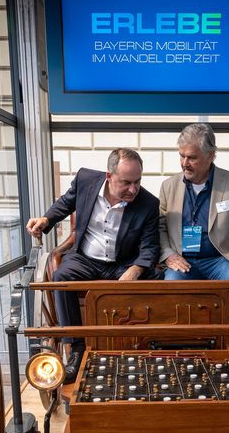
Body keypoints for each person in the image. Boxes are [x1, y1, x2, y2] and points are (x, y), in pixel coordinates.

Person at [26, 148, 160, 381]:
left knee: (158, 279)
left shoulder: (148, 203)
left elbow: (150, 245)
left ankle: (143, 343)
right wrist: (46, 219)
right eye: (126, 183)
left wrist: (136, 269)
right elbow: (66, 203)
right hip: (85, 258)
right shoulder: (85, 180)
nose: (133, 189)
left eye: (137, 182)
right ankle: (76, 348)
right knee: (61, 279)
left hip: (122, 263)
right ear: (109, 176)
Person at [158, 123, 229, 351]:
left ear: (211, 155)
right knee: (171, 285)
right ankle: (176, 351)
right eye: (182, 156)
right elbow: (161, 227)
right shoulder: (168, 186)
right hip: (183, 261)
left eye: (192, 157)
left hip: (220, 259)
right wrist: (168, 255)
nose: (185, 163)